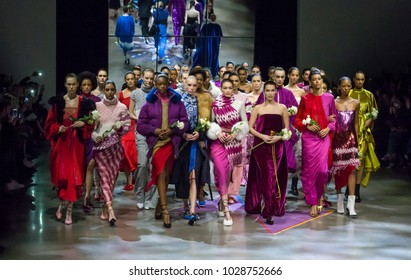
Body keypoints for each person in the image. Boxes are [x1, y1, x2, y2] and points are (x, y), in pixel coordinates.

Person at [137, 74, 188, 228]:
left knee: (166, 174)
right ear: (155, 85)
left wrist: (173, 131)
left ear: (168, 84)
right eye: (158, 84)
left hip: (172, 142)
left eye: (164, 84)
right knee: (160, 172)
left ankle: (160, 202)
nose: (162, 87)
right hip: (157, 143)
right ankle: (165, 210)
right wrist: (155, 130)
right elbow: (140, 126)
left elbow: (185, 123)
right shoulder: (148, 104)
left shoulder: (177, 103)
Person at [44, 73, 93, 225]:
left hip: (77, 144)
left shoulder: (84, 102)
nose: (71, 87)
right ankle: (62, 204)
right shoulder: (58, 103)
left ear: (78, 85)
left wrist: (83, 124)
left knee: (73, 176)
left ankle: (69, 211)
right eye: (69, 84)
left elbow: (91, 122)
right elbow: (48, 124)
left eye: (74, 84)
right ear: (65, 85)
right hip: (63, 145)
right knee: (62, 177)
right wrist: (58, 128)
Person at [245, 81, 290, 225]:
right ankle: (269, 211)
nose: (270, 93)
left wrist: (278, 137)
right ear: (264, 92)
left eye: (272, 90)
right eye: (268, 90)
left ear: (276, 92)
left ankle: (269, 205)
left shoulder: (282, 108)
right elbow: (250, 128)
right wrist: (262, 136)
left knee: (273, 177)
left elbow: (287, 130)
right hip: (261, 146)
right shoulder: (257, 108)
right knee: (267, 176)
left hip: (277, 147)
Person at [206, 79, 249, 226]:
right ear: (221, 88)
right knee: (220, 171)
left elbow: (245, 124)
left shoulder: (239, 104)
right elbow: (211, 123)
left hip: (234, 143)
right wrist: (217, 133)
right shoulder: (215, 104)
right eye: (225, 88)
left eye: (230, 88)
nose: (228, 90)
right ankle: (226, 210)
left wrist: (235, 133)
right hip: (219, 143)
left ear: (234, 88)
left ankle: (221, 202)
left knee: (227, 174)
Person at [294, 69, 336, 217]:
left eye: (319, 79)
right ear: (310, 82)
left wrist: (328, 128)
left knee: (323, 171)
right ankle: (313, 202)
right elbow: (297, 119)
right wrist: (307, 125)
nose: (317, 81)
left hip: (324, 138)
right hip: (309, 138)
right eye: (314, 79)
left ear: (322, 81)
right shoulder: (305, 99)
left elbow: (334, 118)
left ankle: (319, 197)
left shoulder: (329, 98)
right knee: (310, 171)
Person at [171, 75, 211, 225]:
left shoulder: (204, 100)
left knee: (194, 175)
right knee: (183, 175)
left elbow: (208, 121)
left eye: (194, 85)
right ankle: (186, 206)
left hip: (196, 142)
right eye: (189, 85)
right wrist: (183, 134)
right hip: (182, 143)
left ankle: (193, 210)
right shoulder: (178, 101)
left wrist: (199, 133)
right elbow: (172, 122)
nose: (192, 88)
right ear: (184, 84)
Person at [92, 80, 131, 226]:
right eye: (107, 89)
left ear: (115, 90)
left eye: (111, 89)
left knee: (111, 178)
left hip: (115, 147)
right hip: (100, 148)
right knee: (103, 177)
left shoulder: (122, 107)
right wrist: (97, 137)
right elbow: (92, 128)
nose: (109, 92)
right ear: (104, 90)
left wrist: (119, 128)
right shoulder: (97, 107)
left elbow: (127, 126)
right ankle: (110, 209)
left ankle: (104, 206)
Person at [348, 71, 380, 202]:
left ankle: (356, 190)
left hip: (364, 131)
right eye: (358, 79)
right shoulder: (349, 93)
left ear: (364, 80)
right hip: (350, 131)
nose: (360, 82)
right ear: (354, 80)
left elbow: (374, 111)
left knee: (359, 162)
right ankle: (348, 190)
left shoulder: (369, 95)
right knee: (350, 161)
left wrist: (370, 121)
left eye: (362, 80)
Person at [129, 67, 158, 210]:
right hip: (141, 132)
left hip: (154, 133)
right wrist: (141, 119)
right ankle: (139, 194)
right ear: (142, 77)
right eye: (147, 78)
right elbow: (130, 113)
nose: (149, 80)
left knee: (154, 166)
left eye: (151, 78)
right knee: (142, 164)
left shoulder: (157, 94)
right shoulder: (135, 93)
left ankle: (150, 198)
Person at [331, 77, 360, 216]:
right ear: (339, 87)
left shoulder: (355, 103)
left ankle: (351, 205)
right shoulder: (334, 103)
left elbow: (355, 123)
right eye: (344, 86)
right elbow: (332, 122)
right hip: (338, 140)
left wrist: (358, 140)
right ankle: (339, 201)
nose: (346, 88)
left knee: (352, 170)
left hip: (351, 139)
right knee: (339, 170)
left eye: (349, 86)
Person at [285, 67, 306, 196]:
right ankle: (283, 184)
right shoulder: (284, 90)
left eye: (297, 75)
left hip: (298, 126)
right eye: (292, 75)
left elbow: (303, 110)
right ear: (288, 75)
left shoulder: (302, 92)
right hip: (286, 126)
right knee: (286, 154)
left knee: (299, 154)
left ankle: (294, 183)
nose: (294, 77)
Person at [118, 72, 138, 191]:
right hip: (126, 125)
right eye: (128, 79)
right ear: (125, 80)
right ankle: (129, 181)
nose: (130, 81)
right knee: (126, 151)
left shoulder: (139, 93)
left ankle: (136, 176)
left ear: (135, 80)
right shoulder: (121, 94)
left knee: (136, 153)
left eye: (132, 79)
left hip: (137, 124)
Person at [192, 13, 223, 79]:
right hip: (214, 46)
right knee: (213, 57)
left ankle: (208, 72)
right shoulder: (217, 26)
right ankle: (212, 73)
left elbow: (200, 37)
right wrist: (219, 44)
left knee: (208, 57)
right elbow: (220, 37)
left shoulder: (206, 26)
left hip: (207, 46)